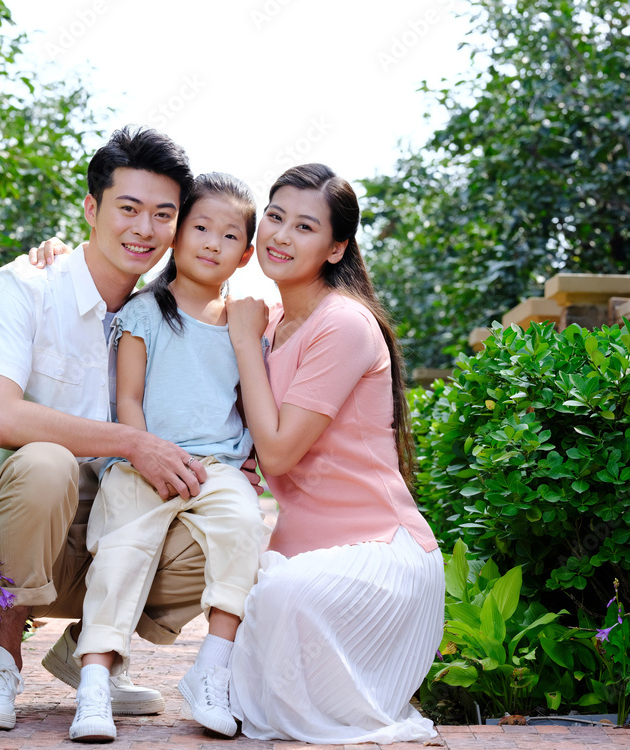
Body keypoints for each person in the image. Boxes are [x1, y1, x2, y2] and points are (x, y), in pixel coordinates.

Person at [0, 126, 217, 732]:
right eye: (128, 209)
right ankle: (0, 658)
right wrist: (130, 442)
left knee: (223, 522)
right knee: (46, 461)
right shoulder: (26, 287)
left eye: (163, 215)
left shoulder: (160, 321)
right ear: (92, 209)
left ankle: (91, 653)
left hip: (99, 538)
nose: (144, 229)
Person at [224, 163, 445, 744]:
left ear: (335, 247)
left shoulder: (343, 323)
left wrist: (245, 341)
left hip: (375, 553)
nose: (280, 235)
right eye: (274, 217)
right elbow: (174, 298)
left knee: (280, 597)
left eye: (304, 226)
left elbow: (276, 454)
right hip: (299, 553)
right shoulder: (267, 322)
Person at [67, 173, 270, 742]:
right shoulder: (144, 312)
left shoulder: (245, 322)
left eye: (229, 236)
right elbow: (127, 398)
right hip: (142, 460)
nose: (211, 242)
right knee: (122, 553)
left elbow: (248, 402)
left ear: (246, 253)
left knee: (244, 529)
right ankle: (95, 686)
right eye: (200, 227)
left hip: (217, 469)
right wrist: (146, 456)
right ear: (177, 234)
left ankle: (211, 669)